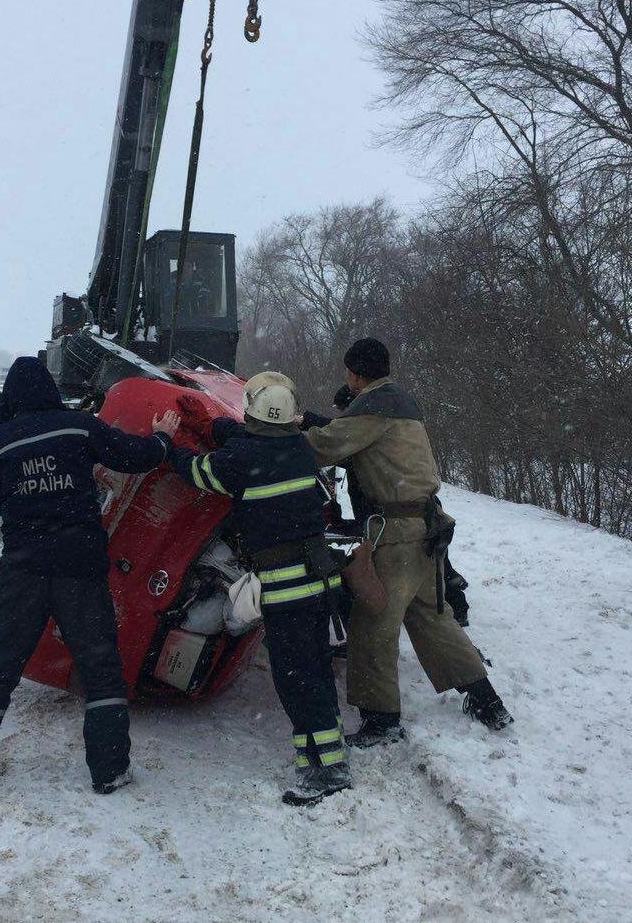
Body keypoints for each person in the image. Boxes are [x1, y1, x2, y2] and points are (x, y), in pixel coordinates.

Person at [0, 356, 181, 795]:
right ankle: (109, 770)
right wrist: (163, 440)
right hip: (79, 567)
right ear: (49, 389)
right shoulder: (77, 426)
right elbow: (132, 457)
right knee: (99, 665)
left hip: (22, 571)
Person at [302, 339, 513, 747]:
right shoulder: (401, 402)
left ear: (356, 374)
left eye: (348, 372)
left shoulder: (373, 406)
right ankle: (486, 700)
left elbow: (324, 447)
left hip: (395, 534)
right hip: (425, 526)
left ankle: (381, 721)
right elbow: (359, 445)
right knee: (432, 617)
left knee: (372, 622)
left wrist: (277, 434)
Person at [170, 371, 350, 806]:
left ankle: (324, 773)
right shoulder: (302, 450)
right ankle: (331, 756)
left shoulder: (241, 461)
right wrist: (210, 424)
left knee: (296, 680)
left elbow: (198, 470)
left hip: (286, 591)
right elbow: (254, 439)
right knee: (316, 670)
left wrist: (166, 442)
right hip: (320, 581)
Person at [312, 384, 473, 628]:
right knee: (430, 578)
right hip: (416, 516)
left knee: (411, 587)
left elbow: (338, 443)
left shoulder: (368, 430)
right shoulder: (386, 425)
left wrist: (308, 424)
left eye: (343, 410)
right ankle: (448, 610)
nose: (341, 416)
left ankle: (454, 606)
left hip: (401, 521)